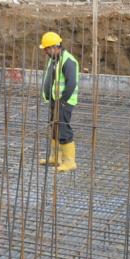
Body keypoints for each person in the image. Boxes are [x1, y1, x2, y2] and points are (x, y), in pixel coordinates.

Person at [39, 31, 79, 172]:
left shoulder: (68, 61)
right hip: (55, 100)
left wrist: (62, 101)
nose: (45, 52)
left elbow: (71, 83)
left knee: (63, 128)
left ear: (55, 47)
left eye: (47, 49)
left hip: (64, 102)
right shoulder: (54, 59)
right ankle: (56, 157)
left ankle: (70, 162)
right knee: (54, 127)